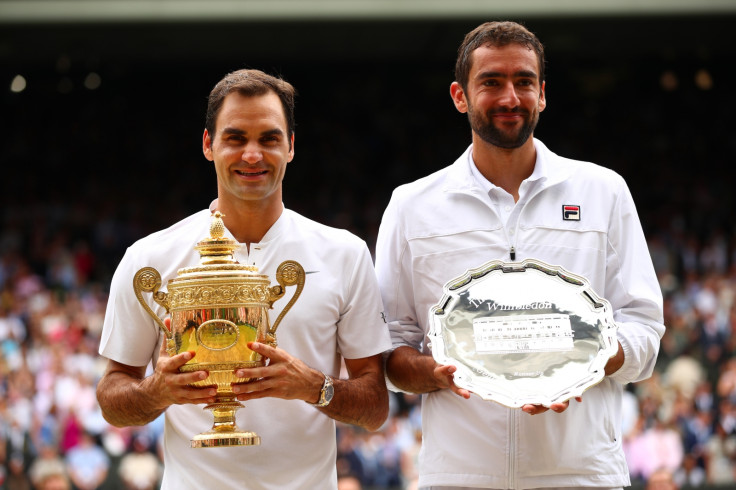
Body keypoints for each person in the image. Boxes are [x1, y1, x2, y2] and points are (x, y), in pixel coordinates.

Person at [375, 21, 665, 489]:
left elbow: (645, 330)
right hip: (458, 477)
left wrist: (584, 361)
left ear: (542, 93)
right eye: (491, 82)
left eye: (524, 81)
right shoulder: (411, 206)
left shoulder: (603, 191)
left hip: (584, 474)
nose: (510, 97)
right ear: (459, 95)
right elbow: (389, 347)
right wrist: (441, 372)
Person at [96, 69, 391, 489]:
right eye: (235, 138)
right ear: (208, 145)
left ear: (290, 147)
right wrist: (157, 392)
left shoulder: (344, 253)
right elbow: (111, 398)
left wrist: (314, 387)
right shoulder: (150, 257)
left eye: (269, 138)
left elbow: (375, 406)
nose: (252, 154)